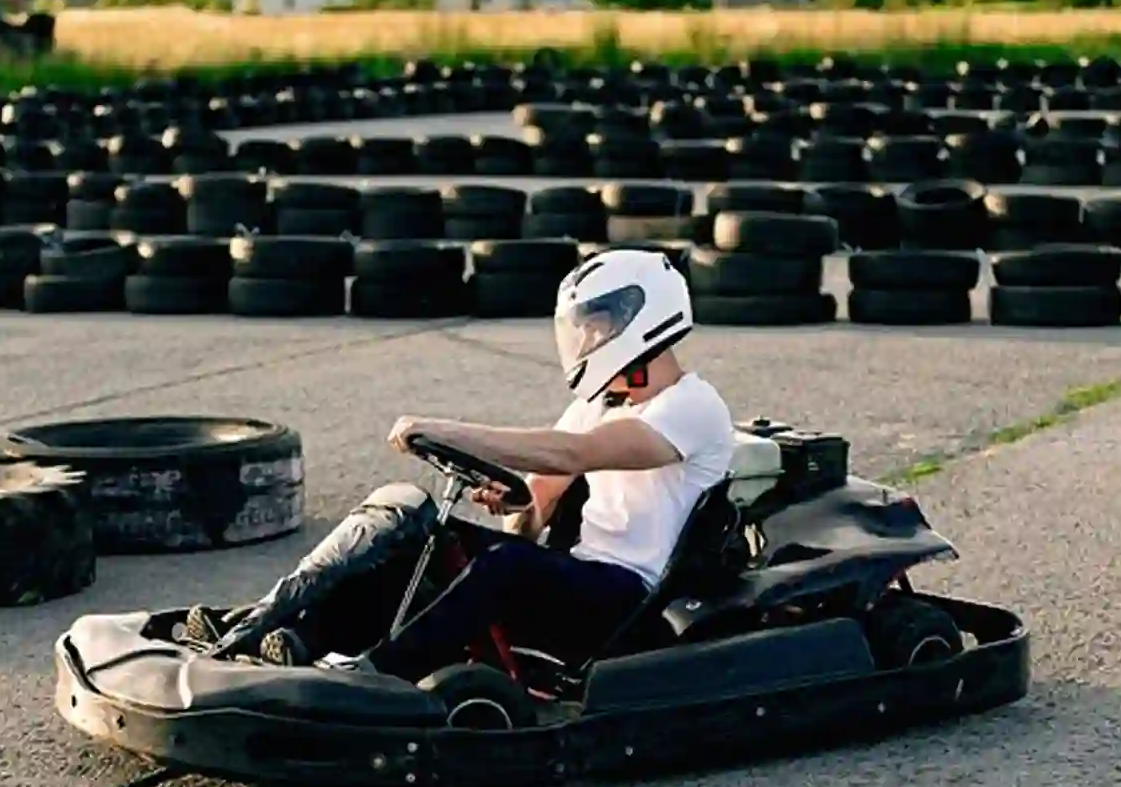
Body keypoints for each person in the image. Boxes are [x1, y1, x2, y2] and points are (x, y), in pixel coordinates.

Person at [190, 248, 735, 679]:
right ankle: (286, 630)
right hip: (576, 575)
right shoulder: (596, 405)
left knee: (508, 568)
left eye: (598, 326)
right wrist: (513, 503)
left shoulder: (692, 406)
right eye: (585, 328)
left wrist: (444, 429)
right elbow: (532, 516)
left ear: (640, 318)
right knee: (425, 539)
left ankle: (380, 675)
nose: (588, 339)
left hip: (627, 597)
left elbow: (571, 453)